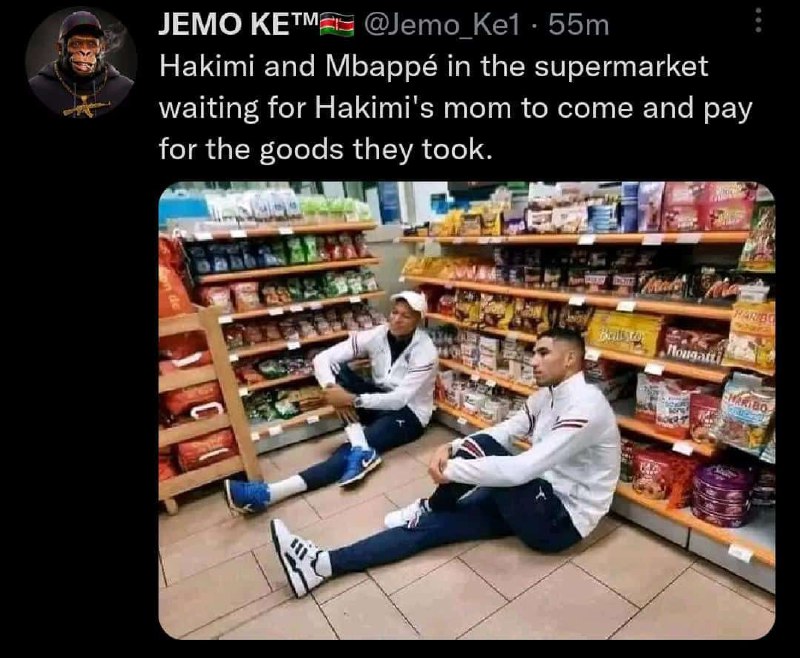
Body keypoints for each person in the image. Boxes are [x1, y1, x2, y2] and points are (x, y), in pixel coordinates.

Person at [268, 327, 622, 598]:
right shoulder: (548, 396)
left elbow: (520, 469)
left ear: (571, 359)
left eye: (543, 353)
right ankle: (323, 565)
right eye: (533, 353)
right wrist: (452, 446)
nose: (533, 360)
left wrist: (450, 468)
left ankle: (428, 503)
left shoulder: (586, 406)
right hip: (534, 497)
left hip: (560, 521)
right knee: (435, 526)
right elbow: (506, 431)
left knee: (483, 452)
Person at [224, 291, 438, 514]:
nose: (396, 319)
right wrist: (331, 390)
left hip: (408, 413)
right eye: (394, 312)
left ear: (418, 320)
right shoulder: (378, 334)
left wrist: (352, 399)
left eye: (406, 316)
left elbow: (399, 399)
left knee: (350, 448)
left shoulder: (425, 351)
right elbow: (322, 359)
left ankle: (269, 494)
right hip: (375, 399)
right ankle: (362, 450)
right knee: (338, 372)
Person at [29, 10, 134, 118]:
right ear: (60, 48)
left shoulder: (125, 89)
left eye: (91, 44)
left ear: (101, 49)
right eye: (76, 44)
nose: (85, 51)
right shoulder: (37, 88)